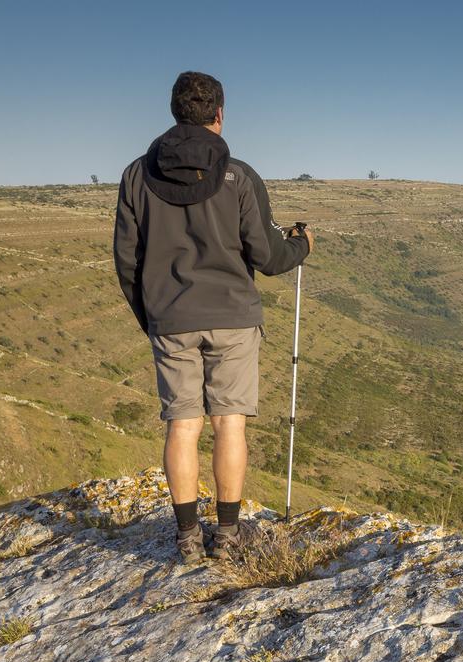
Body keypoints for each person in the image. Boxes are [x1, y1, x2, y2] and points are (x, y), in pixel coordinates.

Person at [113, 71, 313, 564]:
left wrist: (153, 316)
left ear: (175, 112)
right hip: (233, 318)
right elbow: (267, 255)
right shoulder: (239, 176)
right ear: (219, 114)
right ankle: (226, 534)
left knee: (182, 427)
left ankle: (186, 538)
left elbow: (126, 260)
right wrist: (302, 246)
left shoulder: (138, 175)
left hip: (170, 318)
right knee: (229, 425)